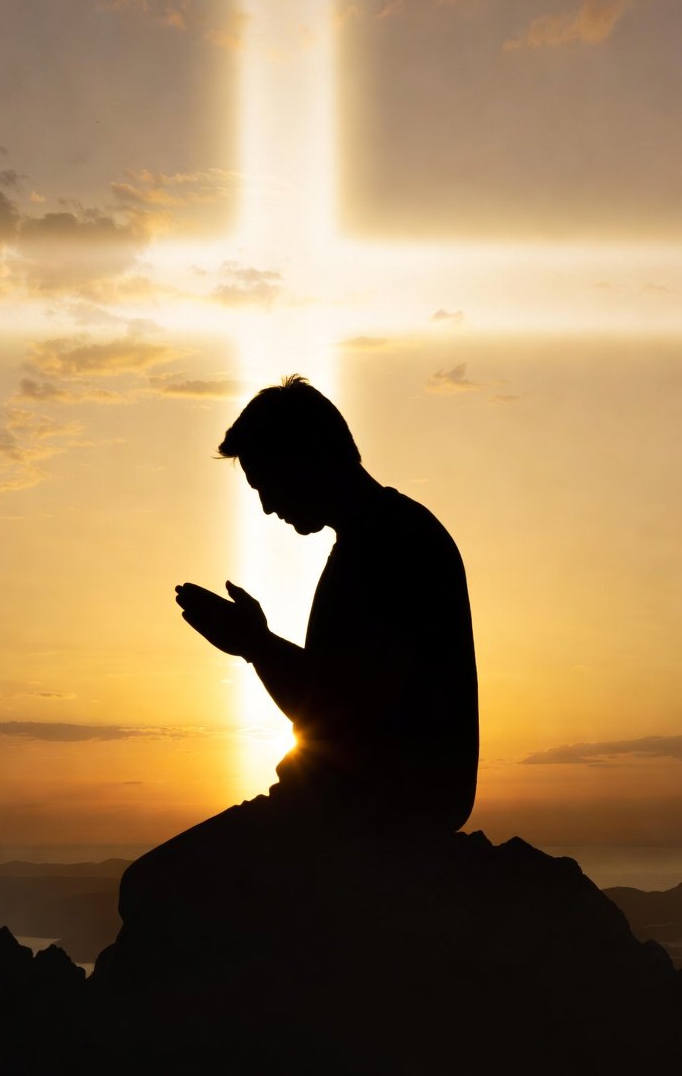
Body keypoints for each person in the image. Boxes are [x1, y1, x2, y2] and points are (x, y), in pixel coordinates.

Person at [116, 376, 478, 936]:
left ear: (309, 456)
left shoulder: (394, 545)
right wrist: (255, 645)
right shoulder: (379, 539)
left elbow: (349, 711)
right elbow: (337, 702)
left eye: (268, 483)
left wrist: (255, 646)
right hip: (366, 805)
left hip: (374, 813)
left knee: (149, 891)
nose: (265, 507)